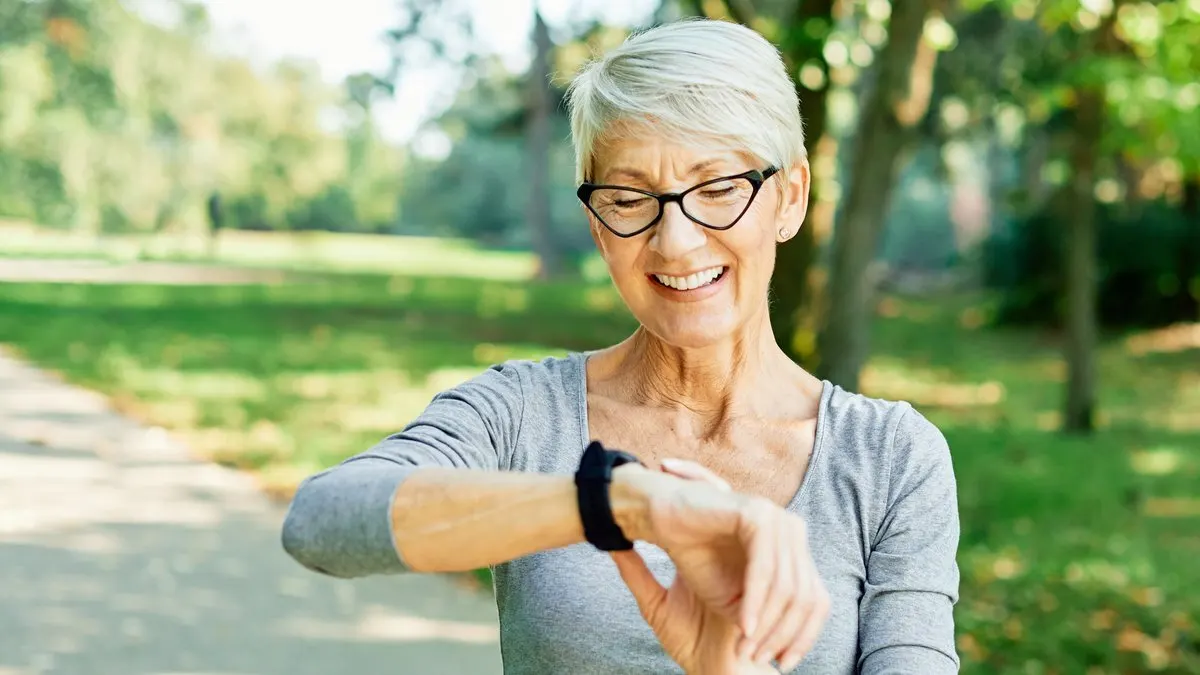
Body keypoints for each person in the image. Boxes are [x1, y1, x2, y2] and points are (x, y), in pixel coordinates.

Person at [281, 17, 960, 675]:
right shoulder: (521, 412)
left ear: (789, 197)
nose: (676, 241)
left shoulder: (892, 459)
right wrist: (617, 501)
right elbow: (321, 520)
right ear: (598, 225)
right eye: (631, 199)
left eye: (719, 188)